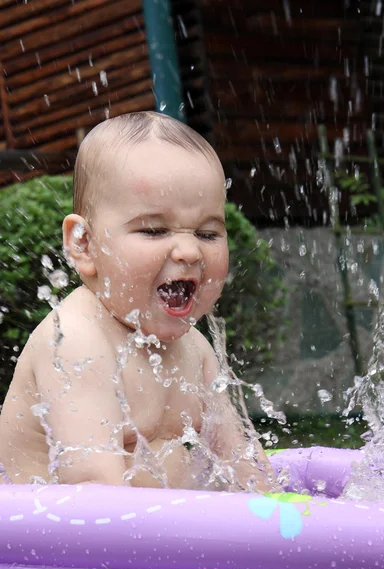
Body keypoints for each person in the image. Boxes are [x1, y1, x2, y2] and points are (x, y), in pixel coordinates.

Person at [0, 111, 279, 492]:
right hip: (48, 546)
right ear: (84, 244)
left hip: (151, 535)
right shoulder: (76, 343)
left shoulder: (194, 349)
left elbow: (240, 460)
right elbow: (93, 490)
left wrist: (284, 516)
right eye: (153, 229)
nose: (189, 250)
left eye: (208, 233)